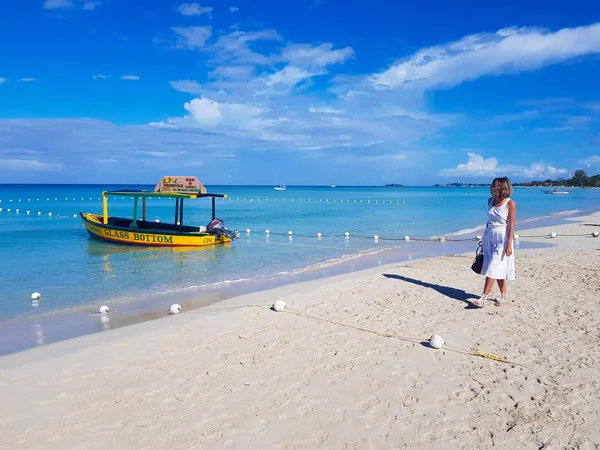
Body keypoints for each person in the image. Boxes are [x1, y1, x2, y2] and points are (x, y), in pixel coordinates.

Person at [472, 177, 516, 307]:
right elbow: (489, 220)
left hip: (502, 236)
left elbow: (511, 225)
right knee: (497, 267)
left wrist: (509, 244)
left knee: (494, 266)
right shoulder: (490, 201)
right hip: (489, 235)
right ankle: (504, 296)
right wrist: (484, 238)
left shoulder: (510, 203)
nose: (491, 187)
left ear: (500, 187)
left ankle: (483, 298)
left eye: (493, 185)